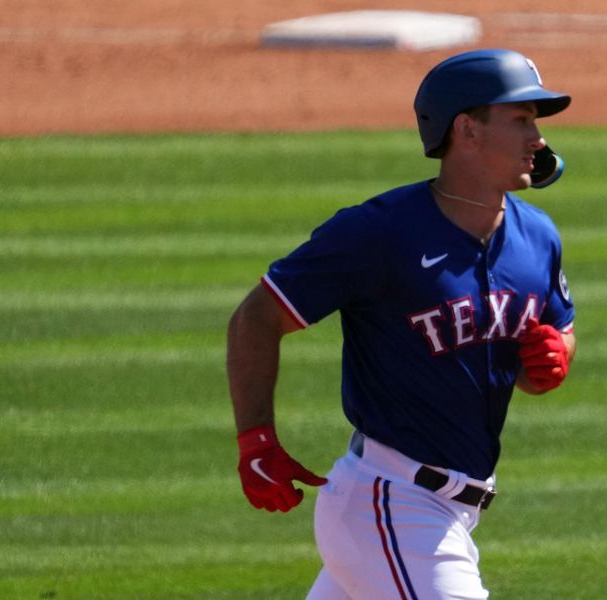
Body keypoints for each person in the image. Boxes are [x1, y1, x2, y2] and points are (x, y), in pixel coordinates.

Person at [227, 48, 577, 599]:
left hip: (449, 512)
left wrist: (556, 357)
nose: (538, 138)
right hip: (391, 501)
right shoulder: (379, 234)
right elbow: (257, 315)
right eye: (521, 120)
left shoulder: (538, 238)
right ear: (468, 130)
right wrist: (256, 437)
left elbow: (552, 341)